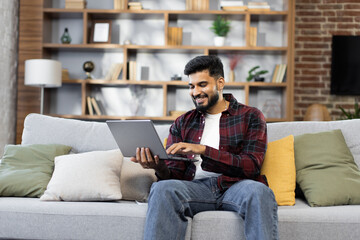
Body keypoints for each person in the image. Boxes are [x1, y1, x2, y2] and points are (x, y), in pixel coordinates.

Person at [131, 55, 278, 240]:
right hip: (196, 189)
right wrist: (158, 166)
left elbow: (251, 166)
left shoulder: (251, 116)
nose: (195, 92)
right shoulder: (183, 122)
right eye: (191, 86)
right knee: (162, 189)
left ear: (220, 83)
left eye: (202, 84)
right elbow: (175, 175)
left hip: (236, 186)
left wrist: (203, 150)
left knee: (259, 192)